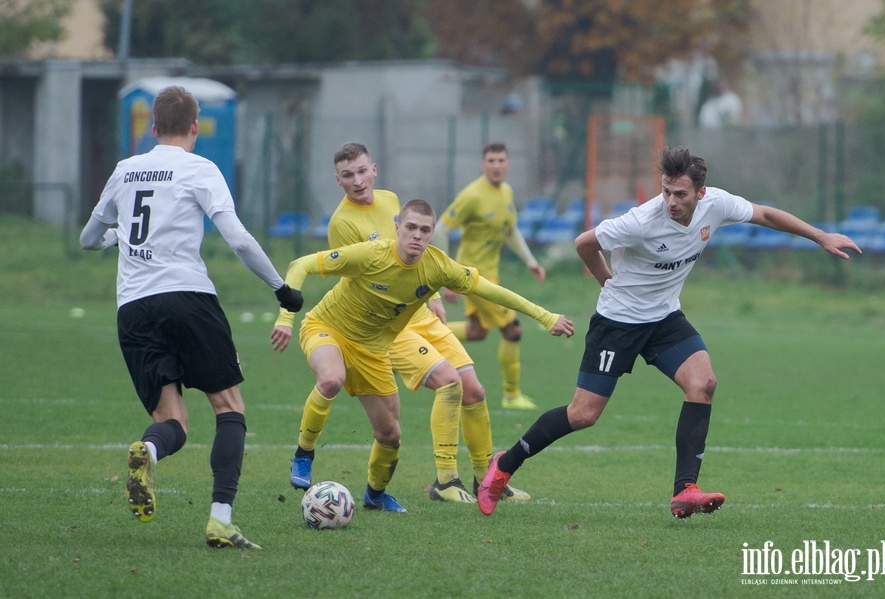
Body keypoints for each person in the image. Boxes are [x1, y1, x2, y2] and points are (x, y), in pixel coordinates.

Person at [476, 145, 861, 518]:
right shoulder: (641, 221)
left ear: (700, 193)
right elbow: (584, 244)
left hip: (663, 319)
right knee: (583, 415)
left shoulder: (717, 204)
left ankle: (685, 491)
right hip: (618, 323)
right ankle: (504, 464)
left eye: (680, 194)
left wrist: (820, 236)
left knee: (703, 383)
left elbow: (765, 215)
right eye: (666, 191)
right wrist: (606, 281)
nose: (671, 201)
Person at [79, 85, 304, 549]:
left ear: (153, 128)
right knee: (228, 407)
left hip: (134, 308)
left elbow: (88, 238)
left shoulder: (125, 170)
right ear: (196, 128)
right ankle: (220, 519)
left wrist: (119, 239)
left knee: (173, 420)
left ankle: (151, 451)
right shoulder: (200, 168)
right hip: (187, 297)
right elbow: (239, 239)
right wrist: (281, 287)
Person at [271, 199, 574, 513]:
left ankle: (375, 496)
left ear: (432, 235)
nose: (416, 235)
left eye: (424, 230)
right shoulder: (371, 254)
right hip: (327, 328)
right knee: (332, 379)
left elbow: (488, 290)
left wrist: (544, 316)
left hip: (373, 349)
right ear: (397, 228)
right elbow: (300, 265)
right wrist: (285, 317)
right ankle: (304, 454)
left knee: (390, 435)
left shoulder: (438, 265)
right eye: (411, 227)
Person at [287, 142, 531, 503]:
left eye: (361, 171)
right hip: (387, 322)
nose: (357, 181)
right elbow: (361, 282)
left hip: (419, 309)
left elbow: (414, 256)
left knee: (473, 390)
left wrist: (431, 295)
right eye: (348, 175)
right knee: (448, 383)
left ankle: (486, 481)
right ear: (337, 180)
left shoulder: (391, 201)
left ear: (375, 170)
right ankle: (446, 480)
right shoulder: (342, 223)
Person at [432, 141, 546, 410]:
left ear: (508, 164)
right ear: (482, 165)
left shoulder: (506, 191)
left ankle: (417, 336)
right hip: (473, 278)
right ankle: (511, 395)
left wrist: (530, 260)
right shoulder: (471, 195)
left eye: (501, 160)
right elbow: (440, 231)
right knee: (513, 329)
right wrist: (446, 274)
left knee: (477, 332)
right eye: (491, 161)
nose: (496, 166)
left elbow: (510, 230)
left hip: (490, 277)